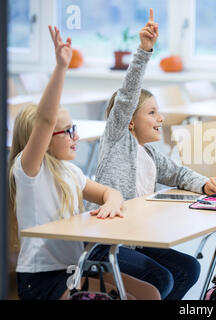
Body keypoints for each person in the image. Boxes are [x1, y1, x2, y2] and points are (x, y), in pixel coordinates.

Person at [8, 26, 159, 300]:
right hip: (42, 278)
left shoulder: (70, 171)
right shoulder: (29, 169)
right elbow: (44, 119)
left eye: (73, 127)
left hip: (75, 269)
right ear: (41, 140)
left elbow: (106, 192)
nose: (76, 136)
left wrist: (112, 201)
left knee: (150, 294)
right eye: (67, 132)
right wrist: (61, 68)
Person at [87, 9, 216, 300]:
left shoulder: (149, 154)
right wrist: (144, 52)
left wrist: (203, 183)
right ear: (129, 121)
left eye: (159, 111)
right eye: (152, 112)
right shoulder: (117, 140)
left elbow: (180, 173)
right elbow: (127, 95)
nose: (160, 118)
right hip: (106, 244)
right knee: (160, 278)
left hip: (136, 240)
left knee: (188, 269)